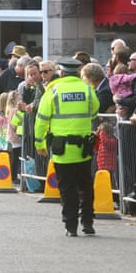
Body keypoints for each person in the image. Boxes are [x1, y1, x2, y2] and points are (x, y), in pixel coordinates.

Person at [35, 58, 100, 237]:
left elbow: (41, 120)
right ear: (78, 73)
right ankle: (88, 223)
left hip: (62, 150)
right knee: (86, 187)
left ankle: (71, 226)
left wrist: (39, 144)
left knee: (67, 189)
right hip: (83, 150)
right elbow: (95, 110)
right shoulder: (88, 89)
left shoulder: (53, 90)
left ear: (61, 73)